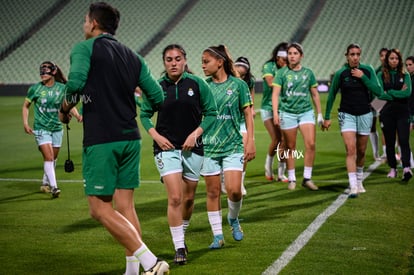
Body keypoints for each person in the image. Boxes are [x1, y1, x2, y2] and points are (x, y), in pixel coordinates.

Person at [59, 2, 169, 274]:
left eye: (85, 20)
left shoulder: (83, 48)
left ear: (93, 23)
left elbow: (74, 84)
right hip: (130, 137)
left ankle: (151, 262)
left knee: (98, 209)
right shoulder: (133, 56)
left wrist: (65, 108)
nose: (84, 25)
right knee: (125, 205)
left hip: (102, 139)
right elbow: (157, 97)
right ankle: (132, 271)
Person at [140, 44, 217, 265]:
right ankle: (179, 247)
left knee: (189, 198)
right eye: (169, 60)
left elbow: (211, 113)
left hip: (194, 148)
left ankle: (181, 234)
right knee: (175, 197)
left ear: (185, 60)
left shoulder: (198, 84)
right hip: (166, 149)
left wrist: (196, 134)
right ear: (164, 63)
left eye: (177, 59)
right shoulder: (156, 87)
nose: (173, 63)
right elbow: (144, 115)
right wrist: (155, 135)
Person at [200, 45, 255, 249]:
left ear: (220, 62)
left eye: (206, 61)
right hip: (209, 146)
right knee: (213, 193)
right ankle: (217, 236)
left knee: (234, 191)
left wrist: (250, 141)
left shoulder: (239, 85)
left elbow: (248, 114)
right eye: (202, 61)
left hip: (233, 145)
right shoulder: (203, 86)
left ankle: (233, 219)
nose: (203, 65)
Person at [323, 43, 384, 198]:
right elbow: (331, 95)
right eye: (352, 54)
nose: (355, 57)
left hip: (365, 114)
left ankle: (359, 179)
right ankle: (353, 186)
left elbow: (379, 92)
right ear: (347, 56)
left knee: (361, 151)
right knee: (351, 150)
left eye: (358, 54)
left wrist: (362, 77)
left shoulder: (368, 70)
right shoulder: (341, 73)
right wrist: (327, 116)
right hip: (346, 114)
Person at [22, 61, 80, 198]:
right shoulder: (35, 89)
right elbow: (26, 106)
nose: (42, 74)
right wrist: (25, 123)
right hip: (41, 128)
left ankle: (45, 183)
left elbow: (68, 105)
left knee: (53, 158)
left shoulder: (62, 88)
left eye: (46, 71)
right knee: (48, 157)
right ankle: (54, 187)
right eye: (41, 71)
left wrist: (77, 115)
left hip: (57, 128)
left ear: (53, 72)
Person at [272, 42, 322, 191]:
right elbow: (275, 94)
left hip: (306, 112)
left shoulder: (308, 73)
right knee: (290, 147)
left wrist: (319, 114)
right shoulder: (281, 73)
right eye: (290, 53)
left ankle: (307, 178)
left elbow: (314, 94)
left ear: (301, 56)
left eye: (295, 53)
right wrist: (275, 113)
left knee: (311, 144)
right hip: (287, 113)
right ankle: (292, 178)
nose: (292, 56)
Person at [377, 49, 412, 181]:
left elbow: (407, 93)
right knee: (390, 142)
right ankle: (393, 168)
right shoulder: (381, 75)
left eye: (396, 58)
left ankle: (406, 168)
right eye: (391, 58)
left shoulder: (405, 74)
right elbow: (380, 94)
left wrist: (390, 92)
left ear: (399, 60)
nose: (394, 61)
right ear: (387, 60)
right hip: (387, 113)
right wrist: (397, 92)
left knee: (403, 140)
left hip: (403, 112)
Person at [261, 42, 289, 182]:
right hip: (268, 108)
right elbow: (270, 82)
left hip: (283, 108)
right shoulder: (269, 66)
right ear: (277, 58)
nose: (285, 62)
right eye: (283, 59)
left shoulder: (289, 68)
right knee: (276, 139)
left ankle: (281, 173)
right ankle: (268, 167)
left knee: (284, 141)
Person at [233, 56, 256, 195]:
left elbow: (251, 101)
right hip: (229, 120)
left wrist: (251, 111)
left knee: (244, 149)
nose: (240, 76)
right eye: (238, 73)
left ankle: (240, 182)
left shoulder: (250, 82)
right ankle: (225, 178)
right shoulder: (228, 80)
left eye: (243, 74)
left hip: (242, 120)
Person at [371, 47, 389, 160]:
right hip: (378, 101)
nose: (384, 58)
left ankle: (387, 152)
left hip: (389, 101)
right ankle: (376, 153)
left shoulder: (395, 71)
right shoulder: (376, 71)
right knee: (371, 126)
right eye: (382, 56)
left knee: (386, 127)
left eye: (386, 56)